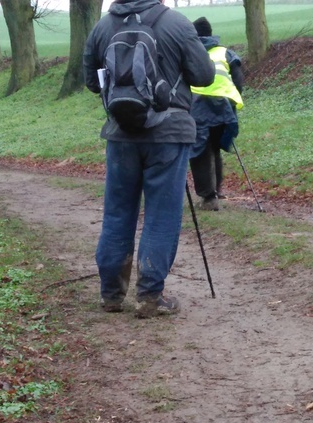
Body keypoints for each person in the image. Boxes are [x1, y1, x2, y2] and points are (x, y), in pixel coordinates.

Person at [83, 0, 215, 318]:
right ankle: (150, 296)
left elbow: (90, 82)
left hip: (121, 134)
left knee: (117, 214)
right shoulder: (177, 24)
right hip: (168, 135)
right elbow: (204, 76)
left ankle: (112, 294)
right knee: (161, 215)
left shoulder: (102, 27)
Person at [189, 17, 244, 211]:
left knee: (200, 152)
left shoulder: (190, 54)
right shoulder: (225, 52)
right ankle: (217, 190)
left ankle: (209, 198)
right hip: (224, 108)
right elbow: (238, 81)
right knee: (215, 148)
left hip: (197, 108)